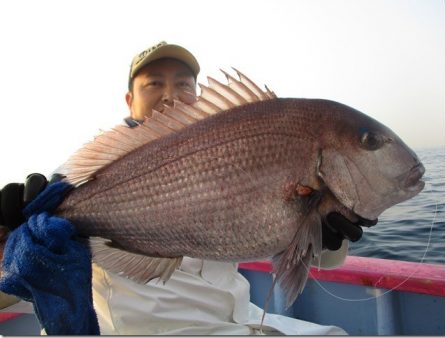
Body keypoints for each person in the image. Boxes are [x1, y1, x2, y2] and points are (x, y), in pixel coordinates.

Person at [0, 41, 374, 334]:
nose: (170, 93)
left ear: (198, 96)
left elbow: (323, 261)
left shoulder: (237, 149)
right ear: (129, 101)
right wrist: (10, 225)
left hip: (239, 322)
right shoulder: (80, 178)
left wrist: (329, 233)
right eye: (153, 84)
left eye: (183, 83)